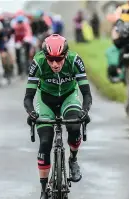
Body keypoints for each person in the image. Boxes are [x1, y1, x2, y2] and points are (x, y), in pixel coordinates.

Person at [23, 34, 92, 199]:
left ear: (66, 55)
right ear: (45, 56)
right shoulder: (38, 63)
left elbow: (87, 94)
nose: (55, 64)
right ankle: (43, 190)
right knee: (45, 141)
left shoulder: (75, 61)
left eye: (59, 59)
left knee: (74, 128)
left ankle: (73, 160)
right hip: (45, 100)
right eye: (50, 59)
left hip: (69, 96)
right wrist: (32, 113)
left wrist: (84, 111)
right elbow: (28, 97)